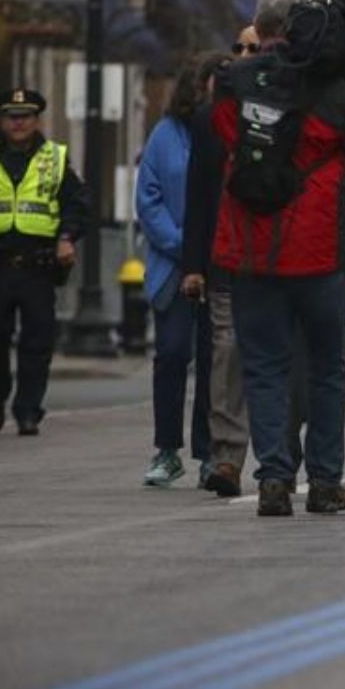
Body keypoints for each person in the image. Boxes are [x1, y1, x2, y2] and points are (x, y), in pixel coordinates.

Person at [213, 0, 345, 516]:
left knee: (264, 367)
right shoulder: (337, 92)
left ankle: (272, 476)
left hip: (251, 251)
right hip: (319, 253)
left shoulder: (234, 82)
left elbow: (224, 139)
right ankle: (326, 480)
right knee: (327, 369)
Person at [181, 29, 264, 497]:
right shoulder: (210, 119)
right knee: (226, 352)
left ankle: (280, 458)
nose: (244, 57)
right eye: (239, 48)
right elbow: (199, 197)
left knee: (279, 361)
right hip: (226, 257)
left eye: (254, 48)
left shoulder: (293, 105)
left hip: (283, 259)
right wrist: (193, 264)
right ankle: (226, 457)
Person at [136, 55, 216, 485]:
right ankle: (167, 449)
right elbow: (148, 198)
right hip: (172, 268)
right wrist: (184, 247)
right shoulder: (165, 136)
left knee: (212, 361)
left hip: (218, 267)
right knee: (171, 355)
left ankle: (208, 452)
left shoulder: (224, 133)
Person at [0, 88, 88, 436]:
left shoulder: (55, 158)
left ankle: (28, 409)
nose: (18, 123)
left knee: (37, 339)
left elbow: (77, 205)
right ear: (2, 120)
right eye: (11, 116)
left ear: (36, 120)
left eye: (25, 117)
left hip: (37, 264)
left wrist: (66, 238)